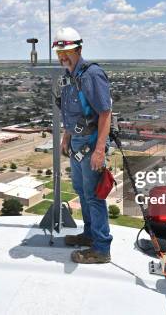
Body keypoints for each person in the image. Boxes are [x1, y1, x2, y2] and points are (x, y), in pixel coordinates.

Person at [53, 26, 113, 264]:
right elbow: (72, 112)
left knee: (94, 196)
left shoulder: (91, 74)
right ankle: (89, 235)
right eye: (59, 53)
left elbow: (105, 113)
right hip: (76, 143)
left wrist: (100, 149)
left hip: (90, 143)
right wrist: (66, 137)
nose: (62, 57)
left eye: (66, 52)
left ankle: (101, 248)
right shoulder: (70, 76)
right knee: (81, 191)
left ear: (78, 48)